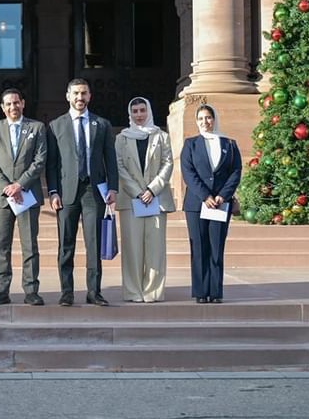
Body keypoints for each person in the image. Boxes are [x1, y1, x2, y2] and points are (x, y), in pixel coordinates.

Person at [46, 78, 118, 307]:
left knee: (94, 243)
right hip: (66, 192)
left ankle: (94, 292)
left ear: (89, 96)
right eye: (76, 93)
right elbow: (52, 163)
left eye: (84, 93)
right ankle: (67, 292)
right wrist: (53, 191)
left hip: (93, 191)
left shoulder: (102, 124)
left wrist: (113, 187)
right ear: (68, 96)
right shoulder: (56, 126)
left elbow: (110, 159)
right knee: (66, 244)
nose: (80, 97)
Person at [0, 88, 47, 306]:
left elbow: (40, 159)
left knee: (29, 245)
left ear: (23, 103)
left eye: (16, 102)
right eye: (9, 104)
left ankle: (31, 290)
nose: (13, 107)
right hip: (2, 197)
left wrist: (20, 184)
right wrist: (6, 187)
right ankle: (2, 289)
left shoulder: (37, 127)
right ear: (3, 108)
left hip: (27, 194)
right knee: (2, 245)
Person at [114, 97, 175, 303]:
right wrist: (138, 192)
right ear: (130, 114)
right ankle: (133, 291)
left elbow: (168, 164)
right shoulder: (121, 139)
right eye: (135, 111)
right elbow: (119, 167)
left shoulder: (162, 136)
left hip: (156, 198)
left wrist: (151, 190)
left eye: (142, 110)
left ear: (148, 111)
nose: (139, 115)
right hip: (131, 200)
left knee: (155, 248)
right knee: (132, 248)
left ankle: (153, 291)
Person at [180, 103, 242, 304]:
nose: (204, 122)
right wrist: (205, 195)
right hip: (197, 204)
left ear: (214, 119)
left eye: (208, 117)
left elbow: (235, 172)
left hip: (220, 204)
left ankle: (215, 292)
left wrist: (223, 195)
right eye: (200, 119)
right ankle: (200, 292)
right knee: (199, 247)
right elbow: (188, 173)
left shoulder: (229, 144)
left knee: (216, 247)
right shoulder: (190, 144)